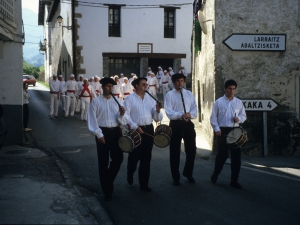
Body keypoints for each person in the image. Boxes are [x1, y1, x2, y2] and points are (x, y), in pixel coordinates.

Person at [88, 77, 127, 201]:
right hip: (102, 132)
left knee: (118, 159)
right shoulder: (96, 102)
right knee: (103, 162)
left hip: (115, 132)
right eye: (108, 86)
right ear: (103, 87)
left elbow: (122, 121)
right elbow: (92, 122)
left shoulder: (117, 101)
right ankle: (107, 190)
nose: (110, 88)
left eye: (112, 86)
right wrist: (99, 135)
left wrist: (121, 114)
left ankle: (108, 180)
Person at [124, 77, 163, 192]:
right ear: (136, 86)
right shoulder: (129, 99)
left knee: (146, 158)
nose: (145, 86)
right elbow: (126, 117)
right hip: (136, 130)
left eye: (146, 84)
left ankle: (144, 184)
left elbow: (157, 118)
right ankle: (130, 173)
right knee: (134, 156)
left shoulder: (150, 99)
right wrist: (135, 126)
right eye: (142, 84)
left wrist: (157, 110)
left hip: (148, 129)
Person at [210, 79, 246, 189]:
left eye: (234, 89)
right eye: (229, 88)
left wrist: (238, 119)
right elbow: (213, 117)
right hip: (223, 130)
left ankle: (234, 180)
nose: (231, 91)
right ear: (225, 89)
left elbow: (244, 116)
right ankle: (216, 174)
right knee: (222, 155)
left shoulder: (238, 102)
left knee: (236, 157)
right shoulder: (218, 102)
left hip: (235, 131)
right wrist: (216, 128)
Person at [164, 73, 198, 186]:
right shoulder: (169, 95)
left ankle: (188, 173)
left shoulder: (188, 94)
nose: (180, 83)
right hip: (175, 124)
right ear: (174, 82)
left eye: (182, 81)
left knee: (192, 149)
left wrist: (189, 115)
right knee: (174, 151)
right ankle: (176, 177)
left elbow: (194, 110)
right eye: (178, 81)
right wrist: (180, 115)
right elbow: (168, 112)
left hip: (188, 123)